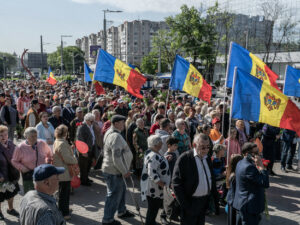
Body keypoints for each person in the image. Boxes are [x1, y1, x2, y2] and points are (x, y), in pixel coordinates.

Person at [172, 133, 218, 225]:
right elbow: (176, 184)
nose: (206, 150)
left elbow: (211, 178)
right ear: (194, 145)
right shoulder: (185, 158)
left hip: (204, 202)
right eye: (202, 147)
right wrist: (186, 205)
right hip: (190, 203)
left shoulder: (207, 158)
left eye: (208, 147)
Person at [101, 115, 134, 225]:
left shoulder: (111, 132)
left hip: (114, 169)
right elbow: (117, 157)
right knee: (113, 195)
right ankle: (107, 219)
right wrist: (124, 171)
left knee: (121, 191)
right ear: (115, 124)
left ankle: (121, 211)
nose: (124, 124)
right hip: (114, 170)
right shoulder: (116, 136)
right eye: (122, 122)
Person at [233, 142, 269, 225]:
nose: (259, 154)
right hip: (249, 207)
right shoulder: (248, 167)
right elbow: (265, 183)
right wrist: (261, 167)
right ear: (247, 154)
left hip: (244, 204)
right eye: (256, 153)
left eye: (259, 152)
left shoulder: (241, 162)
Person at [12, 127, 53, 193]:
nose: (34, 138)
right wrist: (22, 168)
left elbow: (49, 154)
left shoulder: (41, 143)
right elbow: (14, 161)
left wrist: (47, 161)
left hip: (41, 173)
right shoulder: (20, 147)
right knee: (30, 195)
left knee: (43, 194)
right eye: (32, 136)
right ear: (26, 136)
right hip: (28, 174)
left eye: (36, 136)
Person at [141, 135, 171, 225]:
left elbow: (157, 164)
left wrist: (165, 159)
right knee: (153, 208)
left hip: (156, 188)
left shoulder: (154, 153)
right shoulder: (153, 155)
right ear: (156, 144)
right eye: (160, 142)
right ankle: (149, 223)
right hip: (155, 188)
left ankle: (151, 222)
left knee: (154, 208)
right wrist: (162, 184)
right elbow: (152, 173)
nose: (162, 143)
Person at [53, 125, 78, 220]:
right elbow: (67, 159)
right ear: (65, 133)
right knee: (64, 193)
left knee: (62, 192)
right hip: (64, 171)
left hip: (60, 169)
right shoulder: (62, 143)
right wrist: (75, 159)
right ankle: (64, 213)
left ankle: (63, 209)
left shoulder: (57, 140)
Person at [0, 125, 20, 220]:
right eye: (1, 135)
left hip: (12, 174)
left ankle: (10, 209)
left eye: (5, 134)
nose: (4, 137)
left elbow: (18, 155)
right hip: (2, 177)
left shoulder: (11, 143)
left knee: (11, 193)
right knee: (0, 196)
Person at [76, 113, 96, 186]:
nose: (92, 123)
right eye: (91, 121)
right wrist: (83, 151)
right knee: (83, 166)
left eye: (93, 121)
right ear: (87, 120)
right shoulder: (82, 127)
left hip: (90, 148)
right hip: (84, 150)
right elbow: (80, 140)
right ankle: (83, 181)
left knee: (88, 165)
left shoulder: (90, 126)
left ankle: (86, 178)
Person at [226, 154, 243, 225]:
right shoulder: (234, 176)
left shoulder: (232, 173)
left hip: (232, 201)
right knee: (233, 221)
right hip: (233, 202)